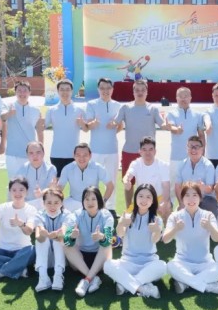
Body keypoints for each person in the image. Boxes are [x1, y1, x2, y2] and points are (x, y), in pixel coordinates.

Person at [163, 182, 218, 296]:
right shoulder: (175, 216)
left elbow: (216, 238)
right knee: (170, 266)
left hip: (205, 263)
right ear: (182, 198)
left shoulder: (208, 215)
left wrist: (209, 226)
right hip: (182, 262)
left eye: (194, 195)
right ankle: (208, 286)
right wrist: (175, 228)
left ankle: (186, 283)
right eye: (187, 195)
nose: (191, 199)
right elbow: (165, 239)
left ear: (200, 198)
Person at [103, 184, 167, 299]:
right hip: (128, 262)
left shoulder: (157, 220)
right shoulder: (127, 217)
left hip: (149, 263)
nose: (144, 200)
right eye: (141, 196)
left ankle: (125, 284)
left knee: (162, 266)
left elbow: (154, 240)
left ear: (153, 201)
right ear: (135, 198)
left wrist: (157, 230)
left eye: (148, 197)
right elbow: (120, 234)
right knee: (107, 265)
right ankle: (143, 288)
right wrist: (121, 224)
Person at [0, 177, 38, 282]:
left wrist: (21, 224)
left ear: (27, 191)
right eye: (14, 190)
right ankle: (18, 267)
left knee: (33, 250)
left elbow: (29, 231)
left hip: (22, 251)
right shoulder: (3, 207)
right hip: (1, 251)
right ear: (9, 192)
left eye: (21, 190)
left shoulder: (31, 209)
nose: (17, 193)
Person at [113, 79, 165, 205]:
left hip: (148, 153)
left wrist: (170, 125)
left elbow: (163, 125)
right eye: (137, 90)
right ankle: (129, 209)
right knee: (128, 183)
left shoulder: (153, 109)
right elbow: (114, 124)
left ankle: (149, 209)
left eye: (142, 90)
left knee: (148, 183)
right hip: (129, 151)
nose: (140, 92)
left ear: (147, 92)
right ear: (133, 92)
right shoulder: (125, 107)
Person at [63, 187, 114, 297]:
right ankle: (93, 278)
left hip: (100, 259)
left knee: (106, 245)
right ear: (82, 201)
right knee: (65, 245)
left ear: (99, 200)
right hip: (80, 259)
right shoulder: (75, 215)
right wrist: (72, 236)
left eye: (93, 199)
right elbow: (66, 241)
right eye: (86, 199)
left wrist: (101, 237)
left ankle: (86, 280)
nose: (90, 202)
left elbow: (108, 239)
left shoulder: (107, 216)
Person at [84, 78, 122, 214]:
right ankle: (92, 207)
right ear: (98, 89)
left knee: (111, 180)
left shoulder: (118, 105)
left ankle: (110, 208)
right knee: (93, 180)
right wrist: (93, 123)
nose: (105, 91)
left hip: (112, 149)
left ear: (112, 89)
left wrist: (114, 126)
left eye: (108, 88)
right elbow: (88, 125)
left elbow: (120, 126)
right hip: (95, 150)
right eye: (102, 88)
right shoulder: (91, 104)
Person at [165, 87, 205, 194]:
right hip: (176, 157)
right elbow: (172, 127)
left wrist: (202, 153)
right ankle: (171, 205)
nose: (183, 99)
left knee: (192, 188)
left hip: (193, 157)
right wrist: (177, 130)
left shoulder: (198, 115)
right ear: (176, 98)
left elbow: (201, 135)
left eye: (186, 96)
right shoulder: (171, 114)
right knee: (173, 188)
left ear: (190, 98)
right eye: (180, 96)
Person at [123, 136, 172, 218]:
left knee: (167, 208)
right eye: (144, 149)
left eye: (150, 149)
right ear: (140, 151)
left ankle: (166, 225)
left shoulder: (163, 165)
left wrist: (164, 202)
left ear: (155, 151)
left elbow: (166, 187)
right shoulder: (136, 163)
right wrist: (126, 181)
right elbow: (128, 175)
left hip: (158, 197)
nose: (147, 152)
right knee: (125, 219)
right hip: (141, 198)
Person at [58, 143, 114, 212]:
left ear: (90, 156)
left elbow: (110, 186)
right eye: (78, 155)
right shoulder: (67, 168)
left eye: (85, 155)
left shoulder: (98, 167)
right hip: (74, 201)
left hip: (92, 202)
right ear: (74, 155)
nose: (81, 158)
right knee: (58, 210)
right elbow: (60, 187)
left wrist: (103, 202)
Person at [4, 80, 44, 180]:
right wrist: (9, 113)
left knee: (30, 182)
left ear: (29, 92)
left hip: (31, 153)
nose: (22, 93)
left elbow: (40, 131)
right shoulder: (8, 106)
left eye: (25, 90)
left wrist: (41, 149)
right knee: (13, 182)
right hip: (12, 153)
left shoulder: (36, 110)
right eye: (19, 90)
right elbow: (1, 119)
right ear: (15, 92)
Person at [45, 79, 84, 177]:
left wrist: (83, 123)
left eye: (67, 89)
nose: (65, 92)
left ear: (72, 91)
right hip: (56, 153)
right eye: (62, 89)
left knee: (75, 183)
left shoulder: (79, 110)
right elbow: (42, 126)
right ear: (58, 91)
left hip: (75, 154)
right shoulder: (51, 110)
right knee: (57, 184)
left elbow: (86, 128)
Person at [34, 188, 71, 292]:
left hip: (63, 258)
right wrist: (43, 234)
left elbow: (64, 231)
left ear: (61, 203)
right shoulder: (39, 214)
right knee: (42, 239)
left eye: (56, 202)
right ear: (43, 203)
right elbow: (38, 238)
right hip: (46, 258)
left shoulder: (67, 215)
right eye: (49, 202)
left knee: (57, 239)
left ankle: (58, 275)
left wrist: (57, 235)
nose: (52, 206)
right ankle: (43, 277)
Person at [175, 135, 217, 214]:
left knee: (209, 205)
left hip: (205, 198)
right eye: (191, 146)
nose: (193, 149)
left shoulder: (208, 165)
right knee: (179, 212)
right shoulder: (181, 164)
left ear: (202, 149)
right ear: (187, 148)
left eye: (197, 146)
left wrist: (203, 187)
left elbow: (210, 188)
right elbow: (177, 186)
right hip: (188, 197)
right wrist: (181, 203)